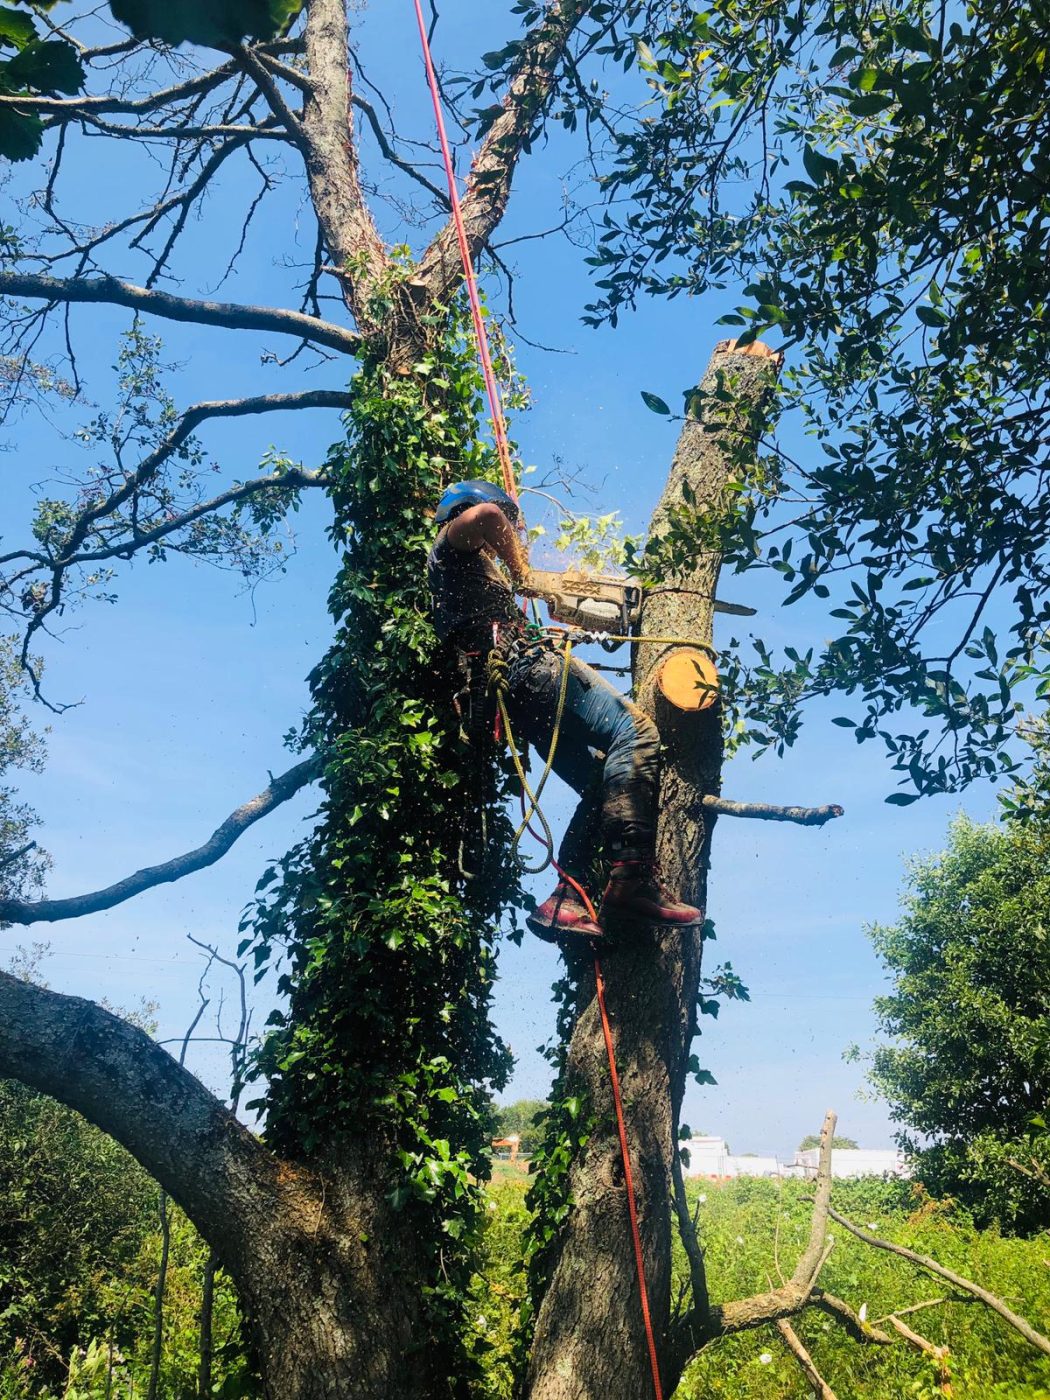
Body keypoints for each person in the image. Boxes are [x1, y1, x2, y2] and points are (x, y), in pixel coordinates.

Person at [428, 478, 701, 940]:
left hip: (514, 695)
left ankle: (566, 898)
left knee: (604, 781)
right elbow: (490, 520)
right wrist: (524, 575)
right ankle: (631, 879)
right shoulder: (450, 547)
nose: (503, 543)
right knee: (636, 735)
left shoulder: (464, 580)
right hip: (528, 674)